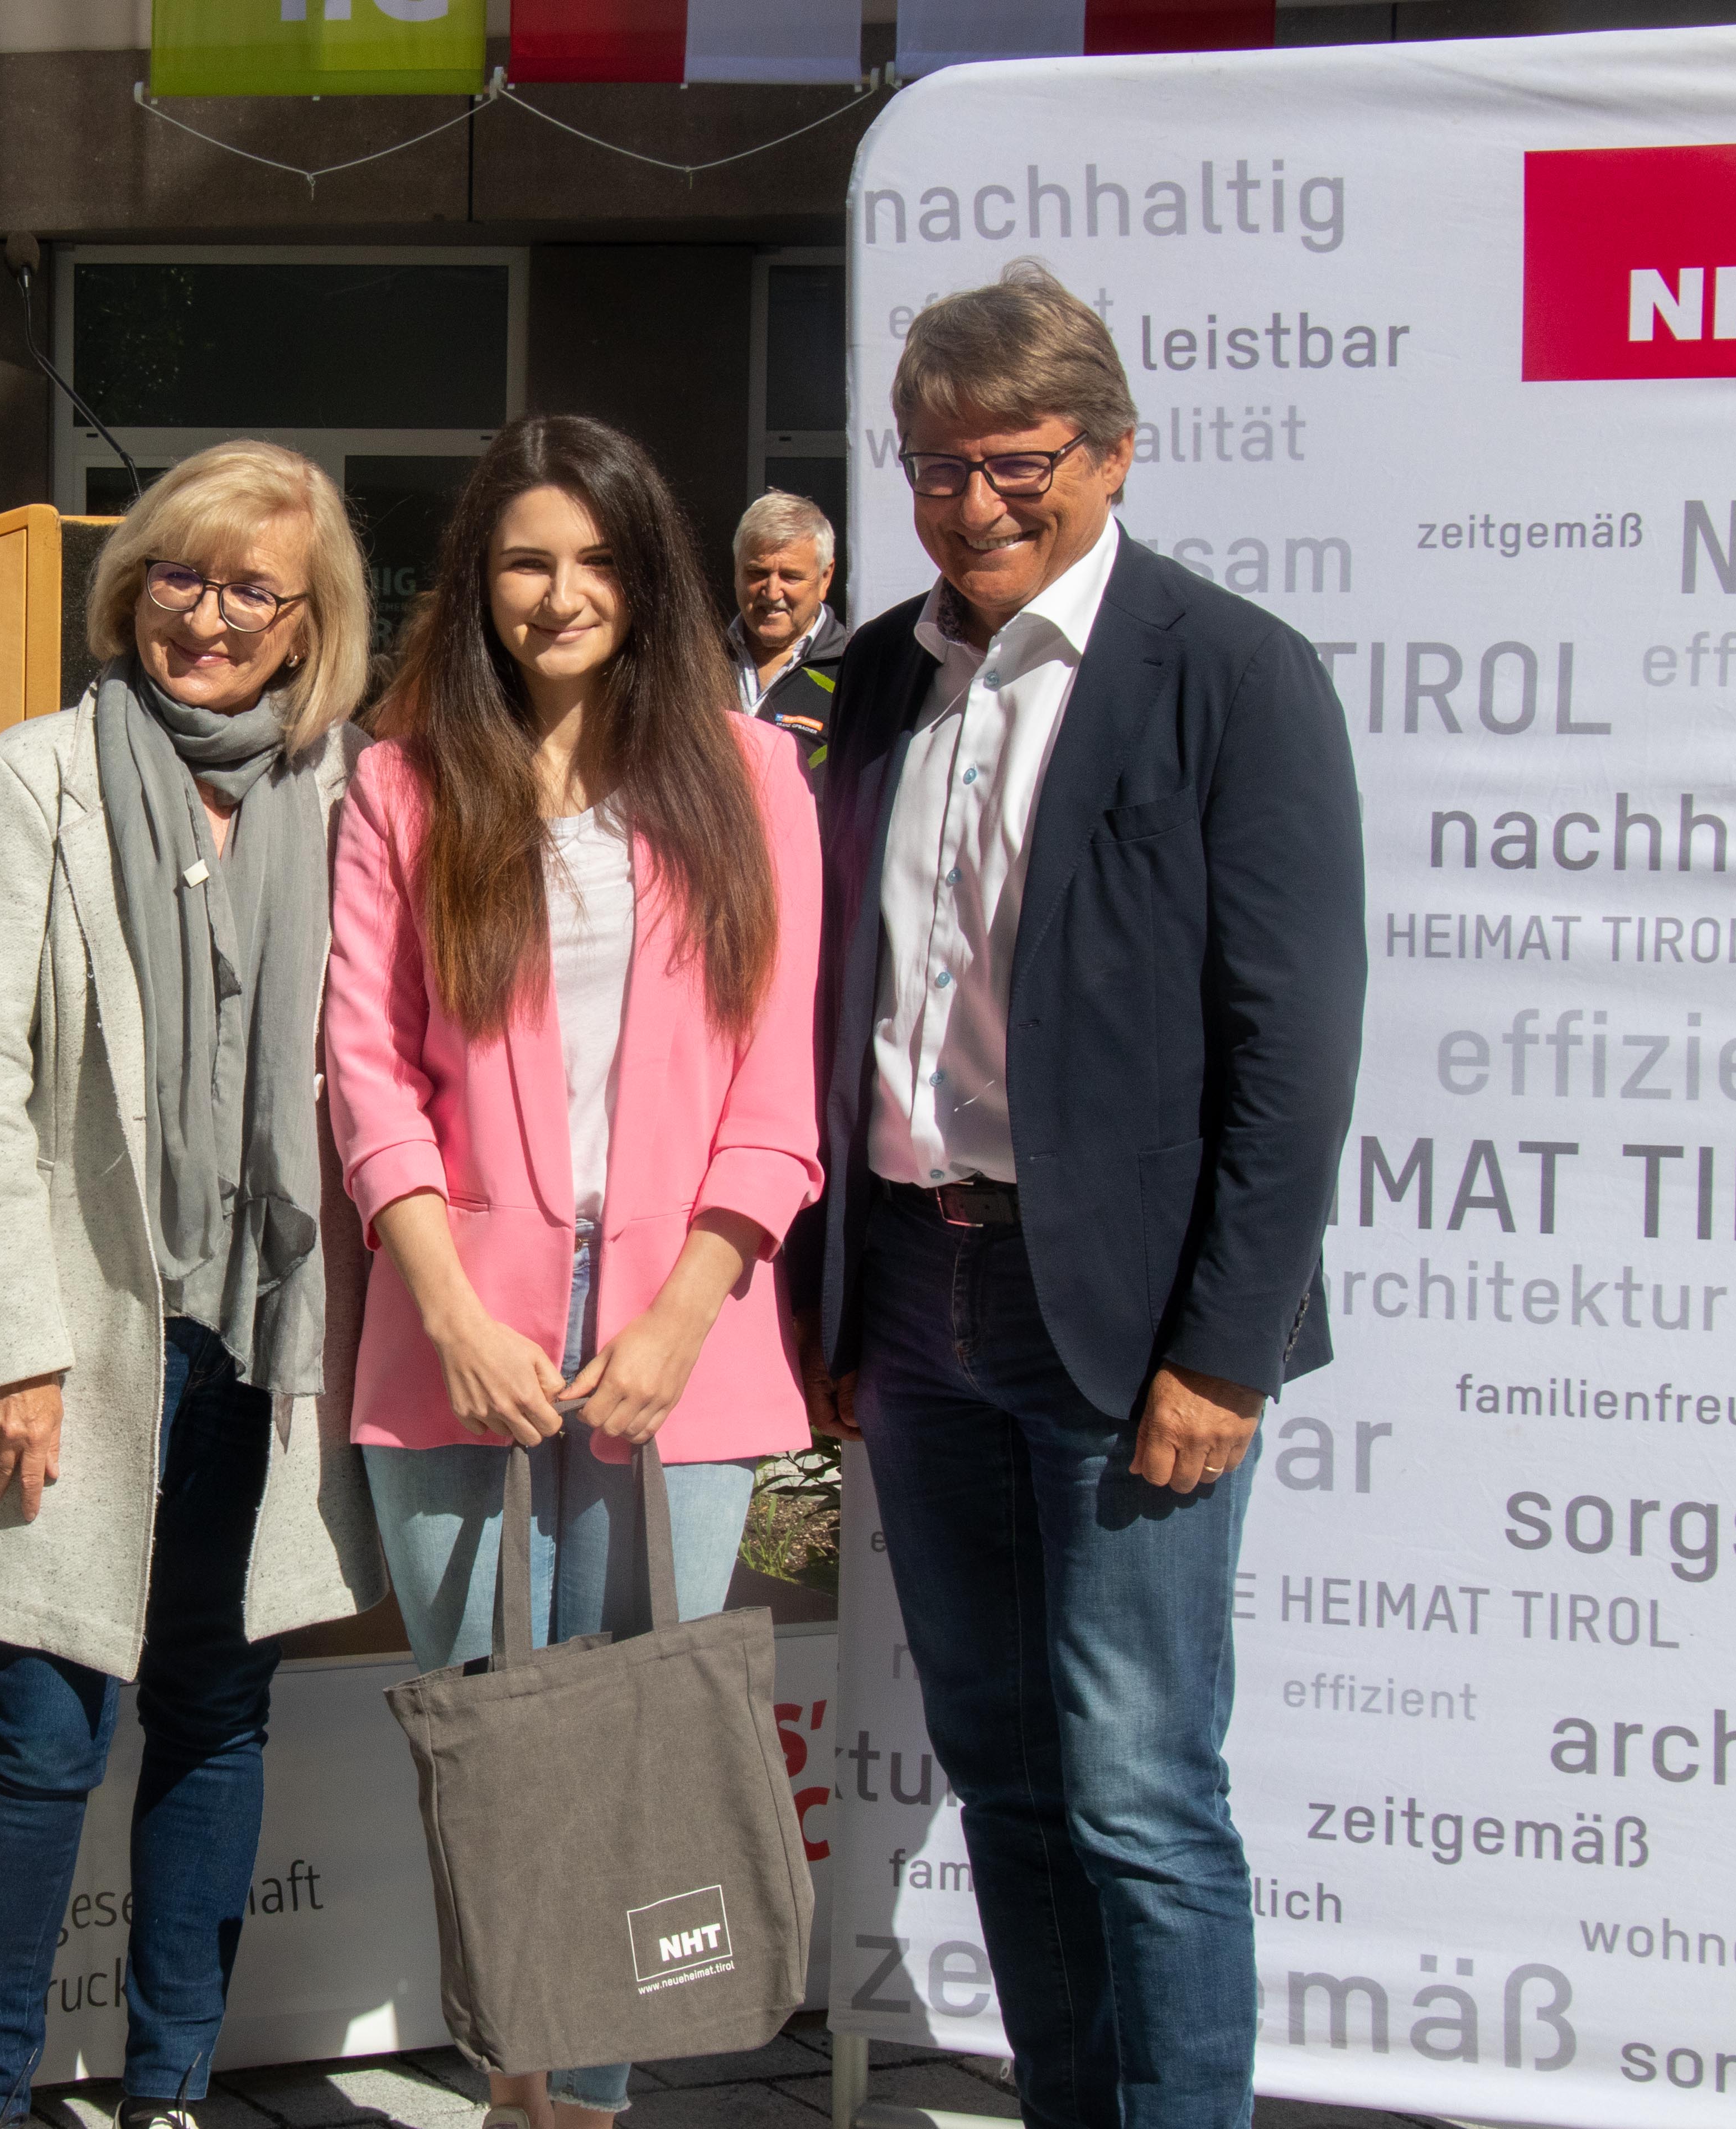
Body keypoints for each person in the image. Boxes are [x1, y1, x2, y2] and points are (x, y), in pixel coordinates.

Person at [793, 261, 1363, 2129]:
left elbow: (1290, 1052)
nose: (972, 499)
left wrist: (1221, 1351)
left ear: (1110, 454)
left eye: (1016, 460)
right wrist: (832, 1306)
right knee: (1002, 1765)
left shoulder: (1227, 672)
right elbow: (834, 1003)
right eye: (934, 464)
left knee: (1135, 1783)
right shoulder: (874, 674)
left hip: (1125, 1322)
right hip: (918, 1296)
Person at [0, 440, 387, 2129]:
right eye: (180, 574)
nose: (209, 616)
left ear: (312, 621)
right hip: (86, 1335)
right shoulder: (41, 777)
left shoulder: (357, 795)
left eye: (254, 589)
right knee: (38, 1724)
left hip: (271, 1334)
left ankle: (169, 2087)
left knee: (218, 1717)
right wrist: (8, 1349)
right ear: (129, 583)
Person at [322, 414, 823, 2129]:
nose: (561, 593)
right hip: (455, 1338)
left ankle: (583, 2108)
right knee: (493, 1744)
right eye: (527, 559)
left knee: (635, 1752)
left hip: (685, 1340)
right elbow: (367, 1070)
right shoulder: (399, 781)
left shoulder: (752, 776)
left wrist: (683, 1311)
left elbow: (778, 1088)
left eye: (597, 559)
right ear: (478, 580)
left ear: (647, 577)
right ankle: (516, 2083)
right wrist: (451, 1308)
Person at [724, 490, 846, 755]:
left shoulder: (855, 671)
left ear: (825, 578)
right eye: (757, 573)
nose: (772, 591)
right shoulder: (696, 662)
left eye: (790, 577)